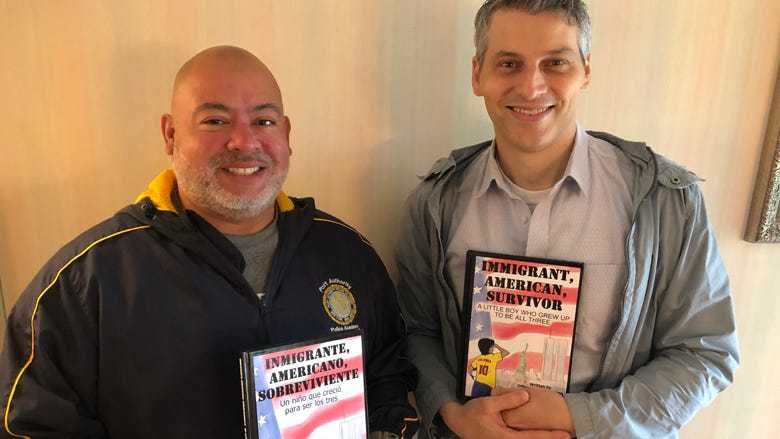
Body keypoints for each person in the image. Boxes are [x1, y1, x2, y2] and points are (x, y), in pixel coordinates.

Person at [1, 46, 418, 438]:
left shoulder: (346, 253)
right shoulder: (85, 282)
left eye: (264, 121)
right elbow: (29, 426)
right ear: (170, 134)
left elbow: (388, 373)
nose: (244, 142)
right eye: (216, 121)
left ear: (287, 134)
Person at [395, 1, 739, 438]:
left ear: (586, 70)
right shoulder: (434, 203)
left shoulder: (665, 202)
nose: (531, 86)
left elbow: (704, 353)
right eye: (509, 64)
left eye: (555, 63)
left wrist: (577, 417)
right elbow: (417, 332)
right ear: (478, 74)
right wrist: (452, 412)